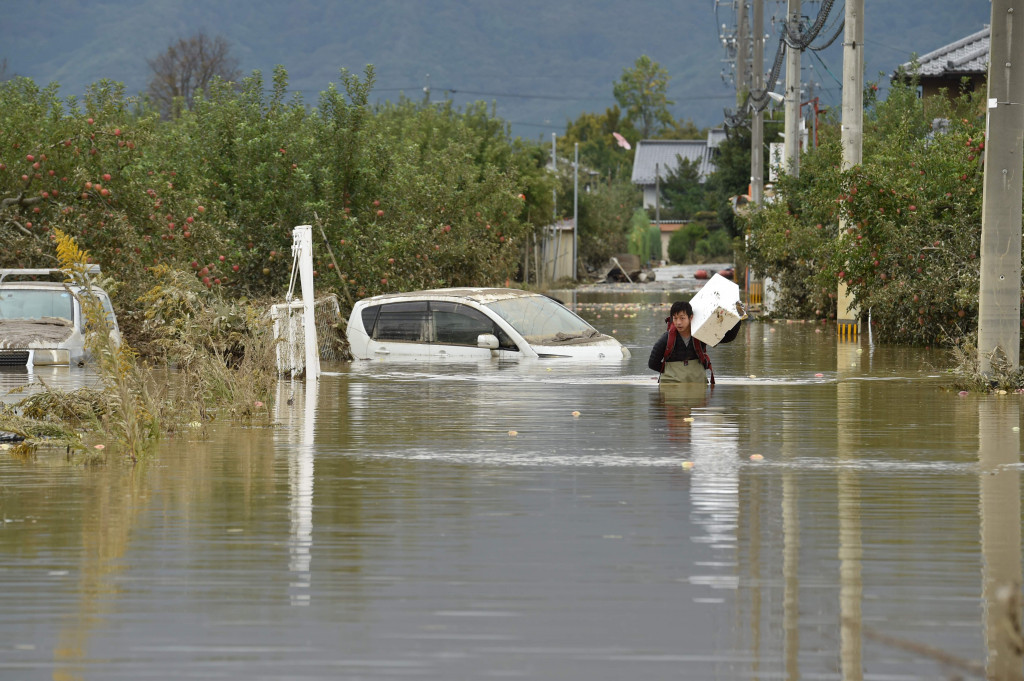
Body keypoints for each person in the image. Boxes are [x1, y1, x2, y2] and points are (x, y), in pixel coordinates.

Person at [648, 300, 742, 385]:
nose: (678, 322)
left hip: (697, 382)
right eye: (675, 318)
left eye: (682, 318)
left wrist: (737, 318)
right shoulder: (666, 338)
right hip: (671, 384)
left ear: (690, 317)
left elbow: (728, 337)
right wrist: (671, 372)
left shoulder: (701, 335)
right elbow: (652, 363)